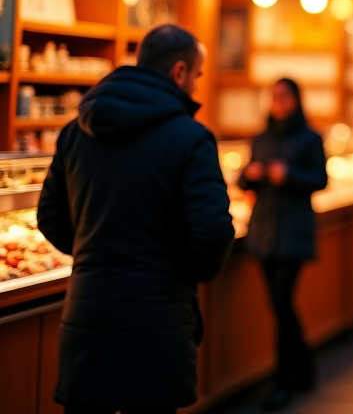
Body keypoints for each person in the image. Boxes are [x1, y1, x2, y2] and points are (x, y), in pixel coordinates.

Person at [36, 24, 234, 414]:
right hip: (157, 320)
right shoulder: (191, 138)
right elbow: (212, 232)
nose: (195, 86)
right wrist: (179, 272)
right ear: (179, 72)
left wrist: (93, 255)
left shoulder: (75, 132)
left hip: (87, 315)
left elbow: (50, 217)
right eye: (196, 76)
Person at [238, 78, 328, 411]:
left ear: (296, 100)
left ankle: (283, 381)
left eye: (284, 96)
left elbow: (321, 179)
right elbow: (242, 179)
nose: (278, 102)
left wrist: (288, 174)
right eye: (273, 96)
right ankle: (304, 369)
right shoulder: (260, 138)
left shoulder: (310, 138)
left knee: (281, 302)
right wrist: (254, 173)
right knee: (281, 306)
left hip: (294, 232)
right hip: (263, 231)